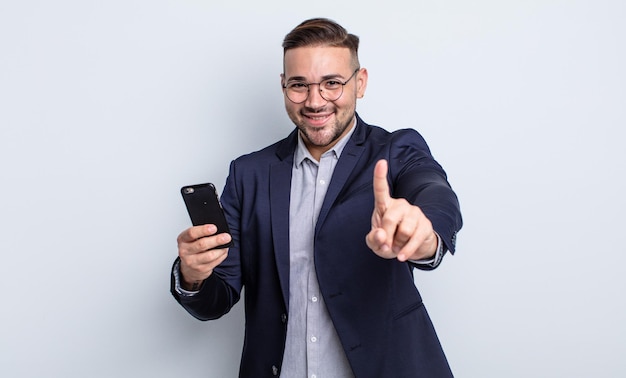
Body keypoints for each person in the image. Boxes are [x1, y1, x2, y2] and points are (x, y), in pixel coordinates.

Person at [171, 17, 462, 378]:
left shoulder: (397, 150)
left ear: (360, 82)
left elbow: (433, 190)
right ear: (283, 86)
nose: (314, 100)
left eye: (332, 84)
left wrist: (424, 230)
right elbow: (216, 300)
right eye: (299, 85)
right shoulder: (249, 174)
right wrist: (192, 275)